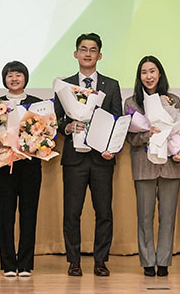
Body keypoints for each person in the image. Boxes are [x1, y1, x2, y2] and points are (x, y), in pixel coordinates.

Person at [53, 33, 122, 276]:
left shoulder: (111, 85)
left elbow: (117, 120)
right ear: (76, 54)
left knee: (104, 212)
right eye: (83, 49)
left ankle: (100, 260)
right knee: (72, 211)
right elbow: (57, 119)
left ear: (99, 55)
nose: (88, 53)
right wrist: (67, 127)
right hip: (74, 158)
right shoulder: (64, 85)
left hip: (101, 159)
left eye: (93, 50)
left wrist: (111, 148)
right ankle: (74, 261)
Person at [124, 56, 180, 277]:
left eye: (152, 71)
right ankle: (148, 261)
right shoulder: (131, 103)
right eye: (143, 72)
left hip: (171, 166)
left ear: (160, 74)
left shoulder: (173, 99)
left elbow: (179, 132)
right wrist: (147, 135)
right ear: (139, 76)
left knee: (168, 216)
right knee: (145, 216)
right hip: (144, 165)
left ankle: (164, 262)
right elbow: (129, 138)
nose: (148, 76)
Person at [0, 61, 42, 277]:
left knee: (29, 214)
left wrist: (33, 142)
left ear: (25, 78)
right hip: (4, 166)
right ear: (4, 79)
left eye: (18, 75)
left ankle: (25, 264)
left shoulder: (38, 104)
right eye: (10, 75)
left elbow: (46, 133)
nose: (14, 78)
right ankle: (8, 264)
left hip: (30, 166)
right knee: (5, 215)